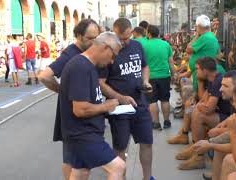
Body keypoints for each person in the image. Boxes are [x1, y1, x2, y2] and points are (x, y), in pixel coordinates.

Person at [38, 19, 100, 180]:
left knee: (78, 158)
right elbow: (44, 76)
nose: (94, 42)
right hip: (73, 115)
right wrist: (63, 91)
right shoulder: (71, 53)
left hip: (86, 113)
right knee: (72, 158)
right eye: (90, 38)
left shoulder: (90, 51)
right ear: (79, 36)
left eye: (97, 38)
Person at [60, 32, 125, 180]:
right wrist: (106, 106)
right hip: (83, 135)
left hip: (82, 134)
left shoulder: (87, 66)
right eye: (113, 55)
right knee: (118, 167)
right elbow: (80, 109)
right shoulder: (80, 67)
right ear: (104, 47)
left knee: (81, 172)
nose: (112, 61)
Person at [98, 18, 154, 180]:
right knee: (121, 146)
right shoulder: (108, 51)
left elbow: (144, 66)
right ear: (114, 34)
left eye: (128, 37)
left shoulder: (137, 45)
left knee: (147, 142)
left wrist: (145, 81)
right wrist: (120, 97)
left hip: (140, 102)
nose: (125, 42)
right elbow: (100, 83)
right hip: (119, 108)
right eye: (121, 39)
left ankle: (148, 177)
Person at [178, 57, 232, 170]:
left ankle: (199, 157)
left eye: (197, 69)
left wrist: (199, 105)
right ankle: (186, 137)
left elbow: (209, 109)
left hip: (226, 116)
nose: (195, 71)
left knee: (198, 114)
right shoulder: (212, 80)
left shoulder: (218, 80)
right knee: (191, 106)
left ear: (205, 70)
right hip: (219, 114)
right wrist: (200, 82)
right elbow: (203, 99)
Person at [144, 25, 175, 130]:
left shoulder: (145, 45)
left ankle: (156, 123)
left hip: (150, 77)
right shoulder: (166, 45)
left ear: (149, 34)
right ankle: (167, 121)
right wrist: (173, 74)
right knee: (165, 99)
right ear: (158, 34)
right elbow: (171, 62)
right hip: (164, 76)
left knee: (152, 101)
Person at [185, 15, 223, 92]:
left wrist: (196, 36)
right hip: (206, 69)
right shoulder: (212, 36)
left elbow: (188, 49)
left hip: (201, 71)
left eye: (196, 27)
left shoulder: (204, 37)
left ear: (198, 26)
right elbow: (219, 53)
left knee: (199, 95)